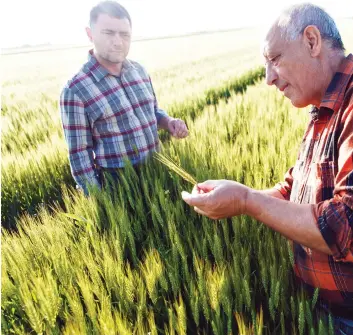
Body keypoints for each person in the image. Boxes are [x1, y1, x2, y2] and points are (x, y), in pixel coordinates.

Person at [182, 3, 353, 333]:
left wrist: (247, 201)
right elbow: (296, 186)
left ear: (312, 41)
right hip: (322, 308)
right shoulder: (325, 107)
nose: (268, 79)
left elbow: (344, 225)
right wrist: (233, 198)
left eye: (274, 59)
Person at [60, 1, 188, 194]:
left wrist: (168, 122)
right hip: (120, 186)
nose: (118, 41)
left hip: (158, 170)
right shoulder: (75, 90)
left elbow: (152, 112)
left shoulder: (139, 71)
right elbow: (80, 157)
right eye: (108, 33)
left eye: (125, 34)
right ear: (90, 34)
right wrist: (102, 202)